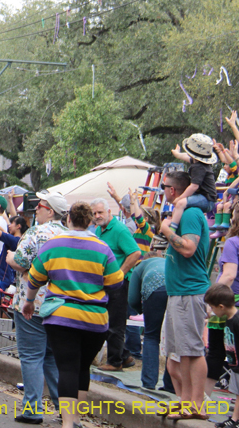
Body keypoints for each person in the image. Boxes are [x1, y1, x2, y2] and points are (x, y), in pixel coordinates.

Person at [23, 201, 124, 428]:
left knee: (66, 368)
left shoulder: (53, 245)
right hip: (95, 319)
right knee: (82, 368)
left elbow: (35, 278)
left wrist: (29, 302)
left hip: (61, 316)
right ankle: (77, 420)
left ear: (68, 219)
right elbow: (116, 282)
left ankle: (68, 424)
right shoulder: (102, 248)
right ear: (90, 222)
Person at [6, 190, 67, 424]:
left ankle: (32, 408)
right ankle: (64, 407)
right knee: (51, 356)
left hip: (32, 303)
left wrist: (11, 258)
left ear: (49, 210)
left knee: (31, 356)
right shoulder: (70, 235)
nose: (36, 208)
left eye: (39, 205)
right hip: (61, 305)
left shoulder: (36, 232)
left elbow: (21, 262)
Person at [158, 170, 211, 420]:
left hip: (190, 291)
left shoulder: (190, 213)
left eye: (163, 186)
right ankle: (186, 401)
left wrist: (166, 230)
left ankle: (196, 405)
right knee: (177, 356)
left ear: (172, 190)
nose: (162, 191)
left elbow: (188, 248)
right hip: (178, 292)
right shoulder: (183, 213)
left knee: (192, 351)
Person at [90, 198, 141, 371]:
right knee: (106, 320)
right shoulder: (98, 229)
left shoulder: (119, 229)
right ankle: (124, 355)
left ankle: (115, 361)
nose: (97, 216)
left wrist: (120, 274)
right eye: (95, 213)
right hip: (105, 283)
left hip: (118, 284)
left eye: (100, 212)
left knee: (115, 322)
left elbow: (135, 253)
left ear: (109, 212)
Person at [209, 207, 239, 396]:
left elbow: (228, 275)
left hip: (230, 303)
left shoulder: (233, 243)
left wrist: (211, 300)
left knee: (216, 355)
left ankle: (199, 402)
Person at [129, 253, 167, 390]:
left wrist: (142, 310)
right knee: (172, 339)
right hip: (176, 291)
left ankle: (149, 382)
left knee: (151, 336)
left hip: (154, 290)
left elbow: (132, 298)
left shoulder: (141, 266)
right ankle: (171, 384)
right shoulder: (169, 262)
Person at [169, 133, 218, 232]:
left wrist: (180, 198)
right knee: (179, 204)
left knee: (180, 203)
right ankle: (176, 223)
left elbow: (194, 186)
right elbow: (187, 158)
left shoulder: (198, 167)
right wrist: (178, 154)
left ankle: (172, 230)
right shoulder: (199, 162)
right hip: (204, 196)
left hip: (207, 200)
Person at [206, 284, 239, 428]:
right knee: (237, 392)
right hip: (235, 365)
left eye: (212, 308)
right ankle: (234, 419)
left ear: (221, 307)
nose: (212, 312)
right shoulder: (228, 319)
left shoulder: (237, 320)